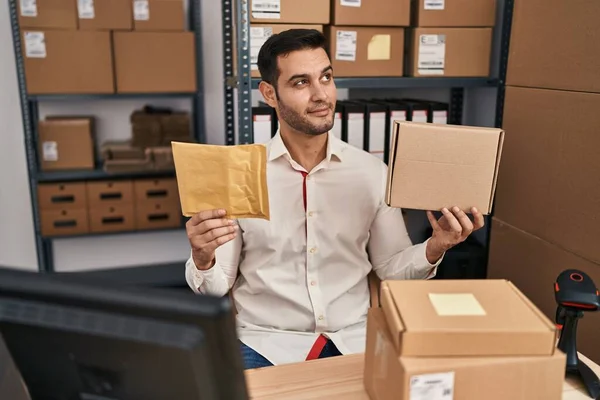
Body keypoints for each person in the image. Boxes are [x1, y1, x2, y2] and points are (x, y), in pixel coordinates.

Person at [184, 29, 485, 369]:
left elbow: (391, 270)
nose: (321, 94)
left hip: (354, 339)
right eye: (300, 83)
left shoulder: (372, 173)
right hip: (266, 343)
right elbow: (213, 288)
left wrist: (435, 246)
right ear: (269, 93)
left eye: (325, 77)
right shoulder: (238, 176)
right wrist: (203, 257)